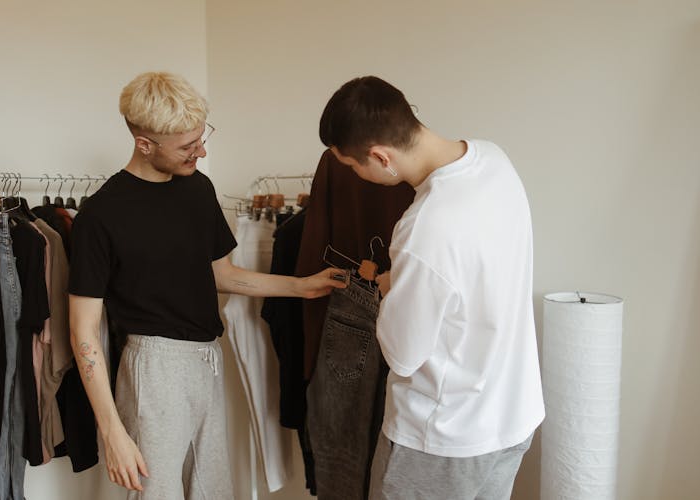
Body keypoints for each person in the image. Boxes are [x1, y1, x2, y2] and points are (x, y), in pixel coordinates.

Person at [68, 71, 344, 499]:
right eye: (186, 146)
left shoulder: (197, 188)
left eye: (201, 137)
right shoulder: (100, 216)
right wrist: (113, 432)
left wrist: (302, 286)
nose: (201, 150)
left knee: (212, 491)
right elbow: (83, 330)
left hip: (206, 361)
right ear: (145, 144)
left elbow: (222, 274)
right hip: (153, 369)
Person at [318, 76, 545, 500]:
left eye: (351, 166)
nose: (355, 176)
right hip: (513, 415)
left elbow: (404, 357)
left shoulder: (424, 228)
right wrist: (408, 283)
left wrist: (390, 290)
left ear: (380, 157)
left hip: (442, 438)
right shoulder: (493, 158)